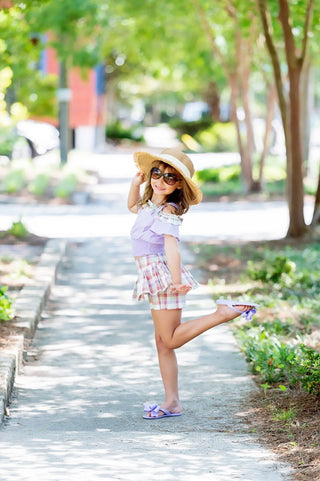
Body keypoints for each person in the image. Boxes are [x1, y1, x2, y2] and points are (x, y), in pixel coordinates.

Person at [127, 147, 258, 420]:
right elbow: (132, 206)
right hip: (153, 273)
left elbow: (172, 245)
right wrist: (135, 184)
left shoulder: (168, 211)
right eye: (157, 173)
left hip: (161, 276)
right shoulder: (150, 205)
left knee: (170, 340)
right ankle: (172, 402)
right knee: (162, 342)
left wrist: (176, 281)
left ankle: (222, 313)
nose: (160, 180)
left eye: (169, 178)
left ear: (178, 186)